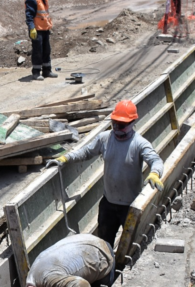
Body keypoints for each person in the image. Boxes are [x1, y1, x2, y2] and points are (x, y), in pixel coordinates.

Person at [47, 100, 164, 249]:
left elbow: (156, 160)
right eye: (114, 123)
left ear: (133, 122)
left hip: (130, 206)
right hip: (108, 204)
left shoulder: (139, 144)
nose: (116, 128)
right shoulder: (105, 139)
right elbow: (86, 151)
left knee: (130, 246)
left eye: (121, 125)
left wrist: (154, 173)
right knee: (103, 245)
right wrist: (65, 158)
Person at [25, 0, 57, 81]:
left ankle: (47, 70)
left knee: (46, 50)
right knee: (38, 51)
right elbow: (29, 15)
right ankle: (36, 72)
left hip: (44, 29)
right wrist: (31, 28)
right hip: (36, 30)